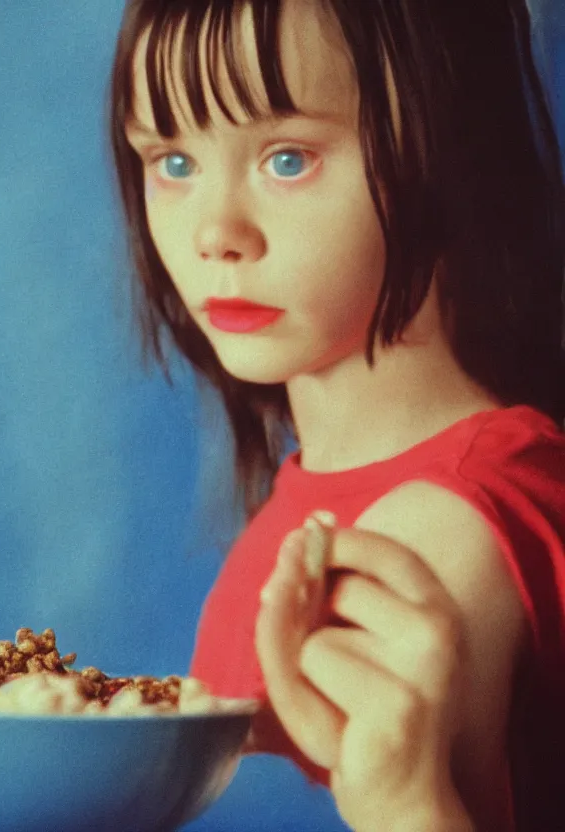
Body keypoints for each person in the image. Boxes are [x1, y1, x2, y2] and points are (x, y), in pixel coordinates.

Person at [108, 0, 565, 828]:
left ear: (442, 143)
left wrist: (408, 804)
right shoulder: (312, 507)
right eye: (172, 161)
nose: (216, 233)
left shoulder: (431, 536)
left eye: (288, 159)